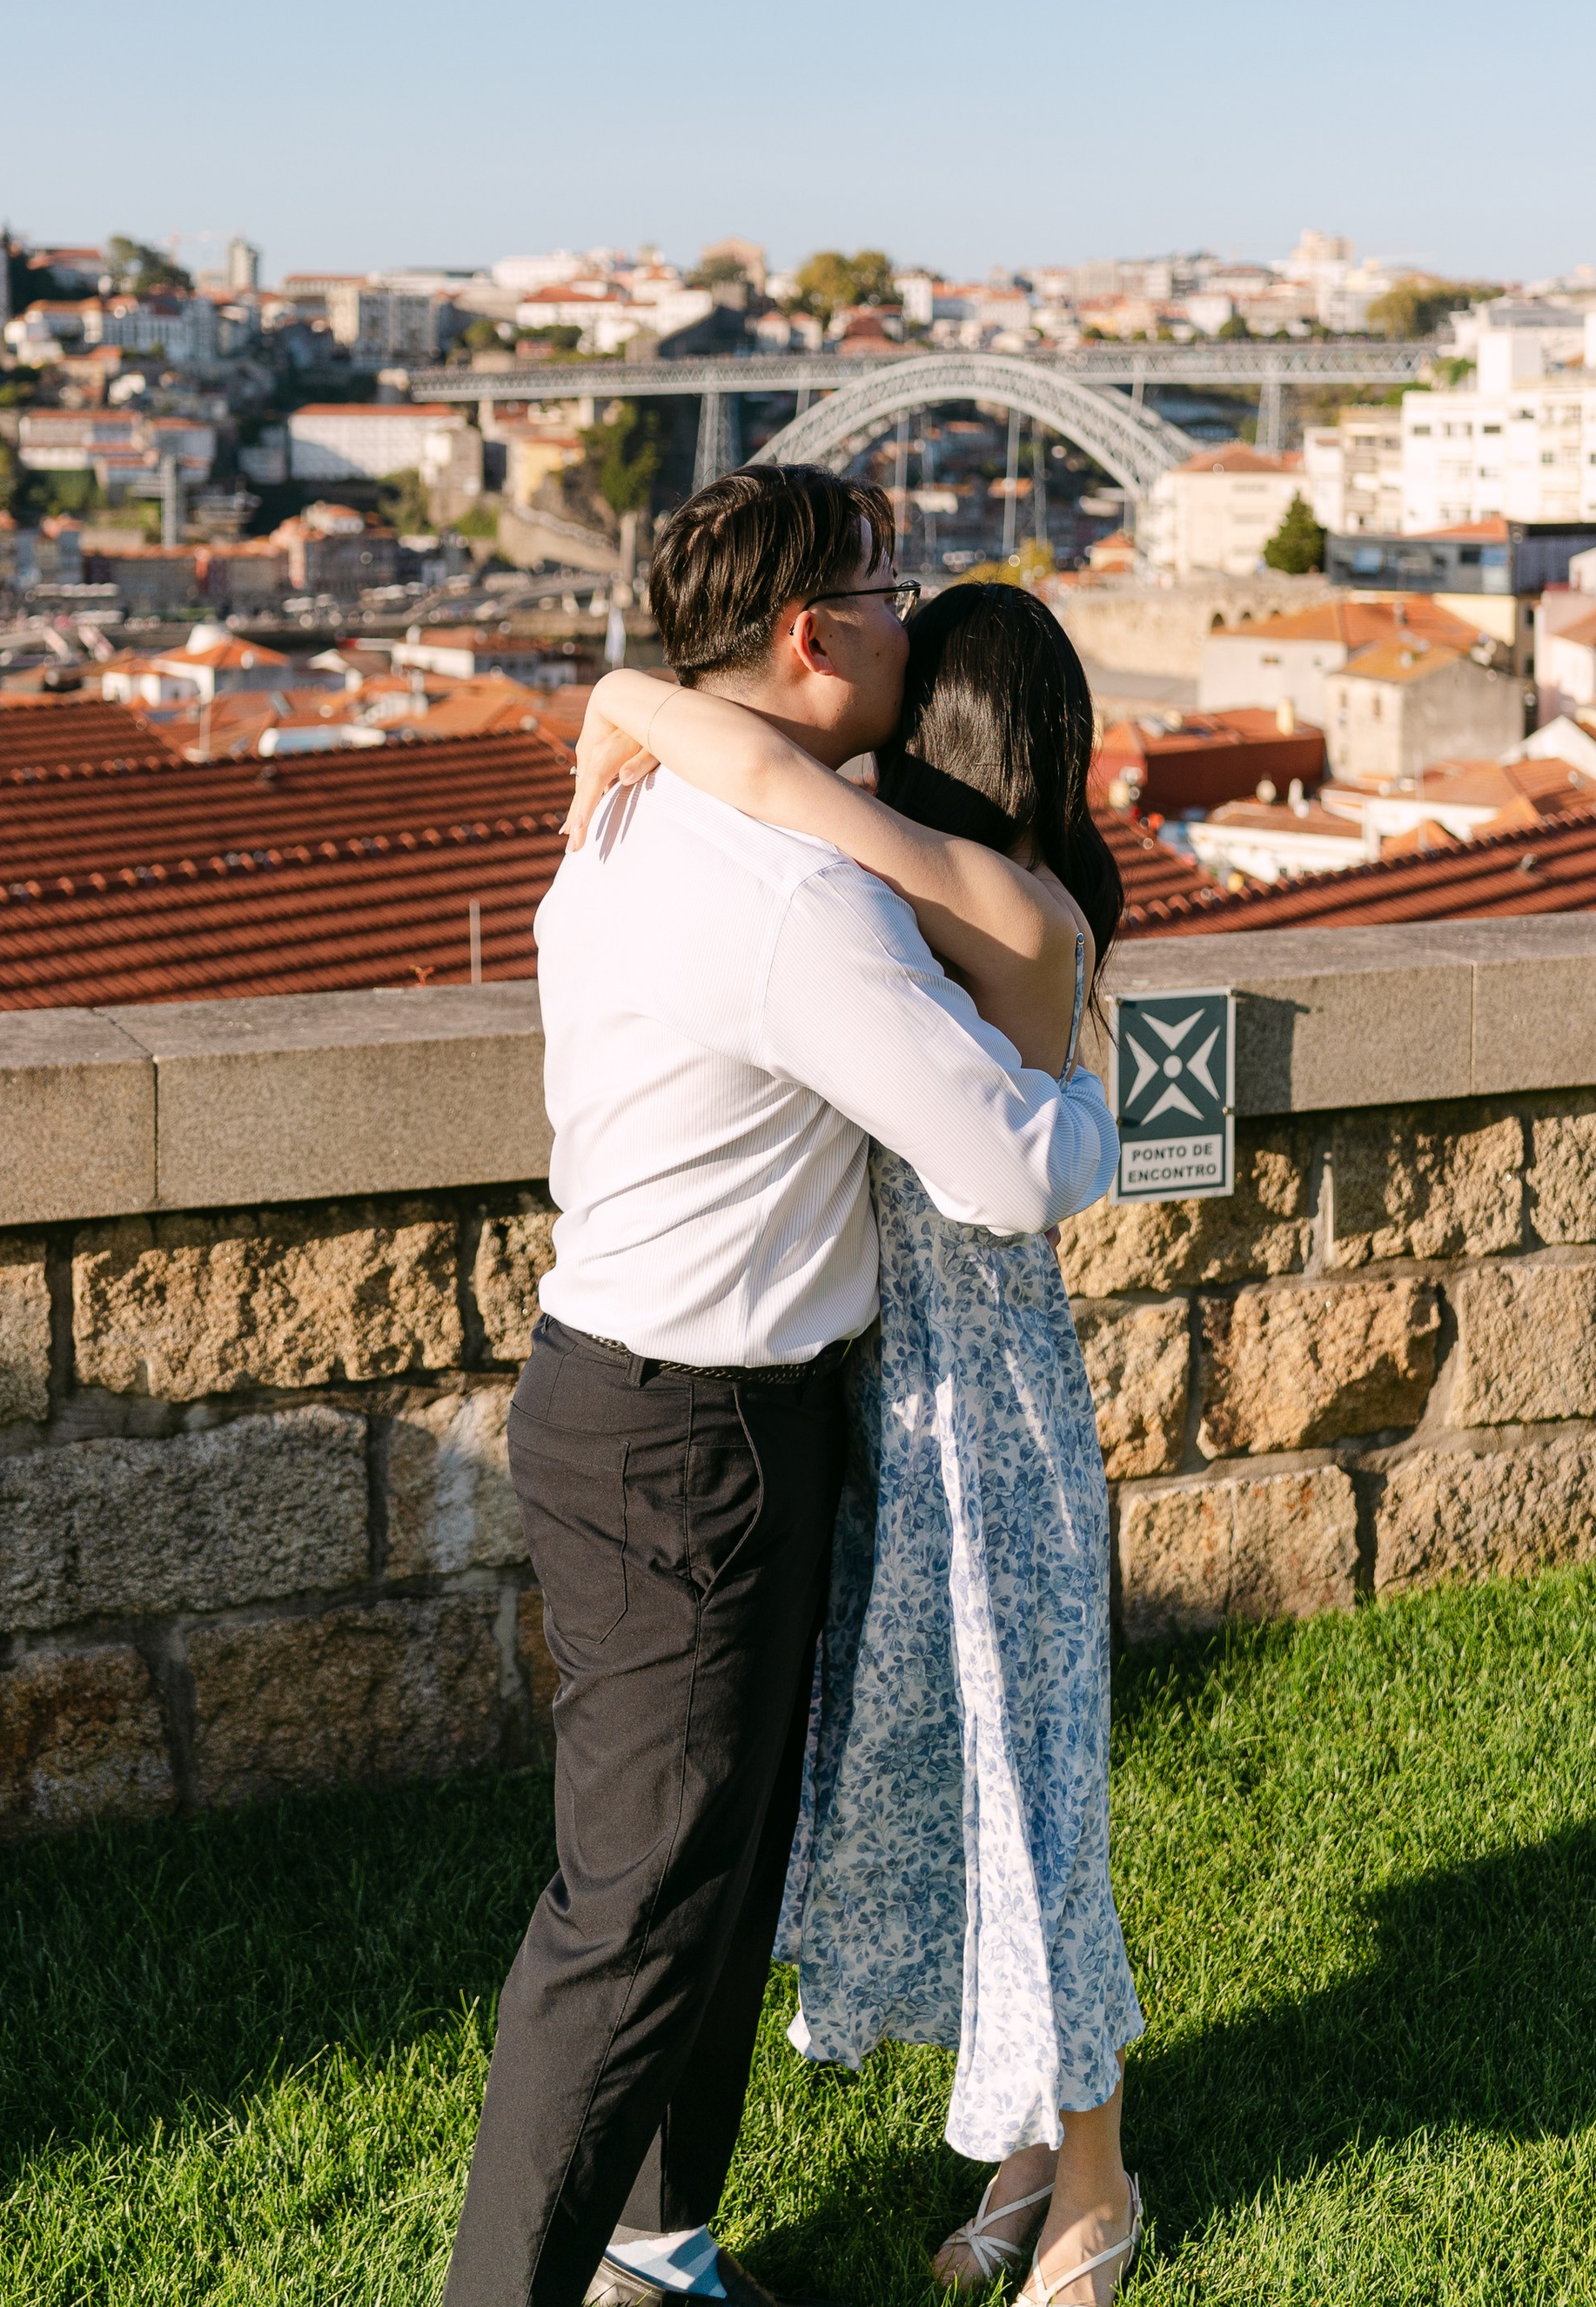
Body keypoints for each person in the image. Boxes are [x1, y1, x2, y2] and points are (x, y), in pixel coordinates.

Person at [443, 467, 1117, 2307]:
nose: (911, 616)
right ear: (813, 641)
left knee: (708, 1871)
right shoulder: (795, 893)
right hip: (698, 1432)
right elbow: (1002, 1171)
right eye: (882, 592)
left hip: (628, 1390)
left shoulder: (641, 806)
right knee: (638, 1909)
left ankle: (654, 2245)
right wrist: (1091, 1110)